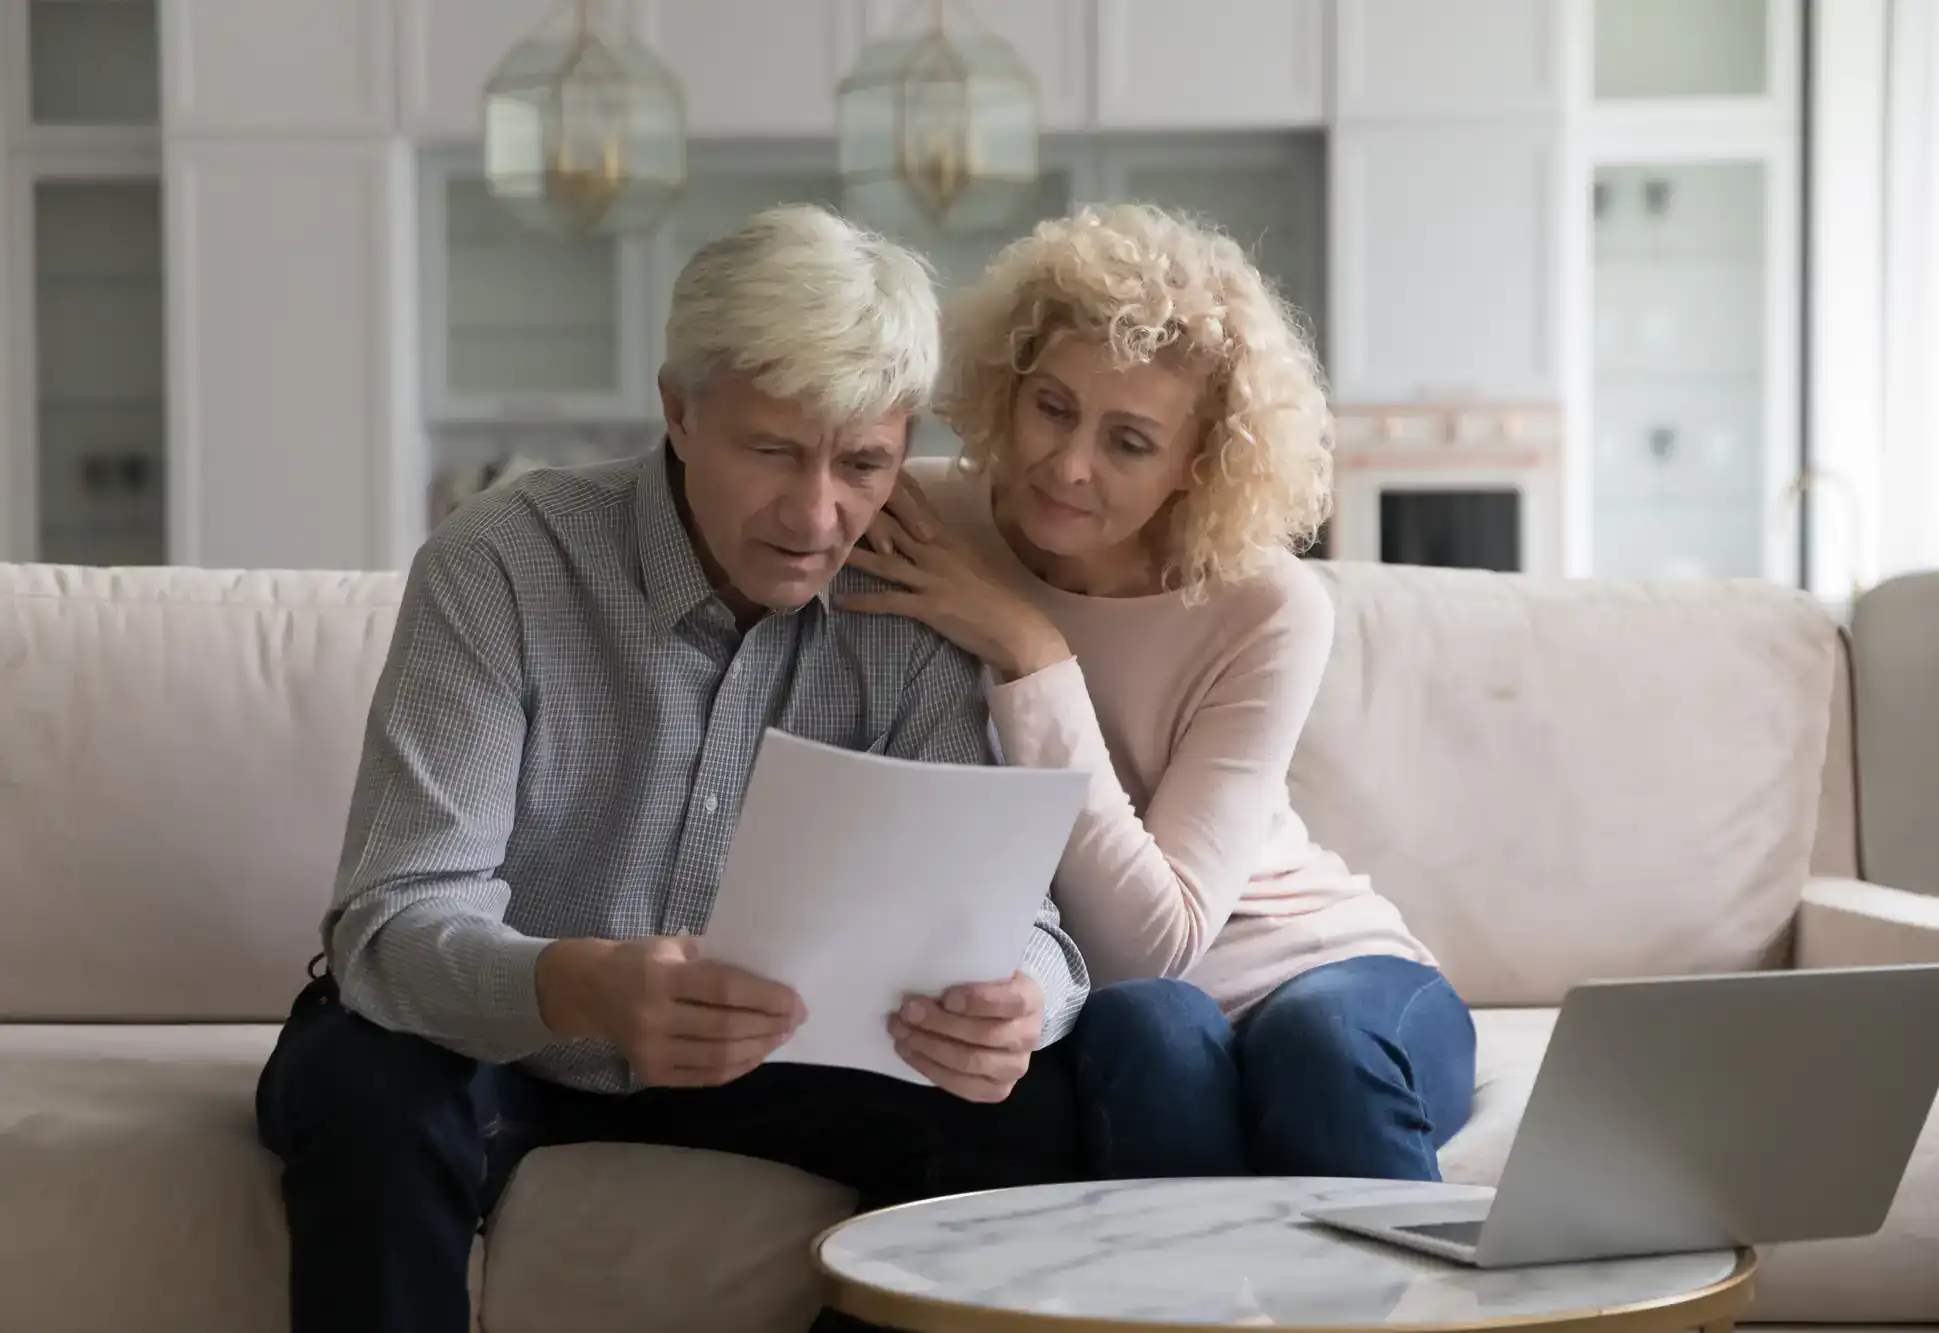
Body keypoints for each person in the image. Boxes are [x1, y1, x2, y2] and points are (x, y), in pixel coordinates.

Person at [254, 204, 1091, 1333]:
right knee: (366, 1081)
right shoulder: (504, 563)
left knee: (1038, 1116)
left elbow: (1027, 926)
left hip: (782, 1063)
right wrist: (582, 985)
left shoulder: (917, 599)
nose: (816, 514)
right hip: (511, 1042)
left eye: (863, 463)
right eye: (772, 451)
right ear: (679, 412)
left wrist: (1019, 1001)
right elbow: (391, 923)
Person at [840, 202, 1476, 1183]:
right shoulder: (922, 520)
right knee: (1145, 1028)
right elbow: (1128, 977)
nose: (1068, 464)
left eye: (1129, 442)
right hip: (1113, 994)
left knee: (1315, 1048)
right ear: (1009, 385)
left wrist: (1031, 653)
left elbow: (1154, 940)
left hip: (1322, 968)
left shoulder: (1265, 606)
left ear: (1196, 464)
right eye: (1053, 407)